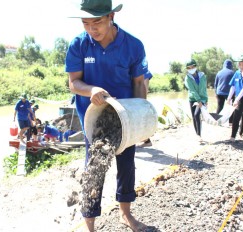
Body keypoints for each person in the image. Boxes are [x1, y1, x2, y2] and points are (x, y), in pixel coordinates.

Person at [65, 1, 148, 231]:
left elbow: (139, 83)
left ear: (111, 16)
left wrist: (141, 120)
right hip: (95, 120)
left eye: (97, 22)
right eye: (85, 23)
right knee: (94, 169)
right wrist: (90, 90)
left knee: (126, 166)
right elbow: (74, 83)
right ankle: (89, 224)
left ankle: (126, 214)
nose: (92, 29)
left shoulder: (132, 45)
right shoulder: (78, 45)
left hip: (125, 117)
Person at [184, 58, 208, 143]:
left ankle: (199, 135)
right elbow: (192, 90)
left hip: (202, 98)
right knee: (194, 117)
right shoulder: (187, 78)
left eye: (192, 67)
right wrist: (198, 100)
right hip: (193, 99)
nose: (191, 69)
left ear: (195, 66)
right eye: (189, 68)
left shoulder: (202, 75)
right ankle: (198, 135)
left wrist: (206, 100)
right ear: (187, 69)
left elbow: (204, 88)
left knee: (197, 114)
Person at [214, 59, 235, 125]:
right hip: (229, 94)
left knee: (220, 106)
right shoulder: (232, 73)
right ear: (231, 65)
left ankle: (217, 121)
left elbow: (215, 84)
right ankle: (231, 122)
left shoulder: (219, 72)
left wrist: (216, 93)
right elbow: (235, 84)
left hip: (219, 92)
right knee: (230, 107)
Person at [136, 70, 153, 147]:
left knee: (140, 119)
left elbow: (144, 88)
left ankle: (147, 140)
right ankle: (146, 140)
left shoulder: (143, 72)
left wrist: (142, 105)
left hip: (139, 102)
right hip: (136, 100)